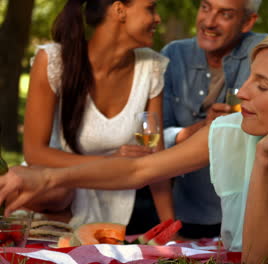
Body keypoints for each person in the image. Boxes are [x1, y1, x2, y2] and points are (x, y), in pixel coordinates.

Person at [1, 28, 268, 264]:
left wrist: (264, 158)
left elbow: (259, 257)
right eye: (249, 79)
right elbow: (140, 170)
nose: (241, 92)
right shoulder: (232, 129)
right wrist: (46, 175)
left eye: (262, 86)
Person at [21, 0, 174, 234]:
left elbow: (157, 161)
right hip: (54, 193)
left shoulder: (151, 66)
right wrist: (111, 163)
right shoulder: (54, 60)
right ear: (119, 10)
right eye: (150, 8)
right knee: (60, 193)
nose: (157, 18)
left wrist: (169, 228)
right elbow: (34, 152)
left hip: (111, 208)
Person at [161, 0, 265, 238]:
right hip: (187, 216)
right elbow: (157, 137)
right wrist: (202, 129)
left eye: (225, 14)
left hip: (249, 218)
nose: (209, 22)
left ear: (248, 21)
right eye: (205, 7)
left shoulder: (264, 54)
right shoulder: (173, 55)